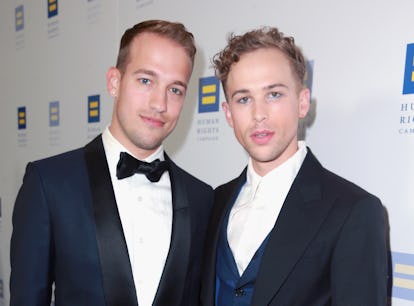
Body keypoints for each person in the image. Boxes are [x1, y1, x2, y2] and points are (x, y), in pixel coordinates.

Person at [10, 19, 213, 306]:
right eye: (146, 80)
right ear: (114, 82)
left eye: (175, 89)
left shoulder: (202, 198)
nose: (160, 103)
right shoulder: (49, 184)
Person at [200, 27, 388, 306]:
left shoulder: (355, 211)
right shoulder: (214, 201)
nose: (258, 114)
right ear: (228, 114)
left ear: (302, 103)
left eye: (273, 94)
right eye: (243, 99)